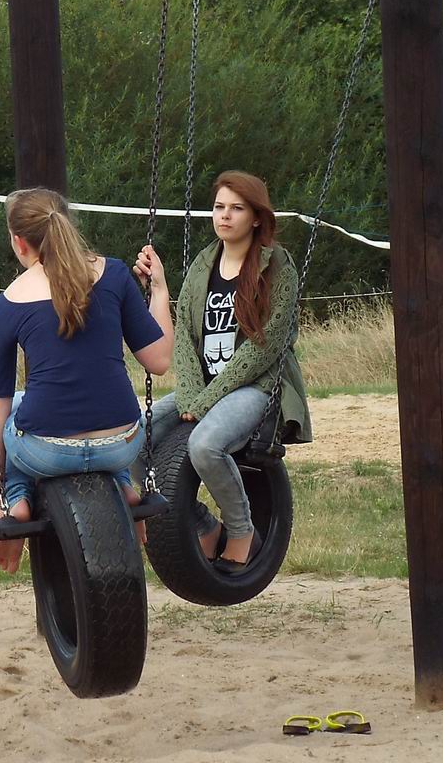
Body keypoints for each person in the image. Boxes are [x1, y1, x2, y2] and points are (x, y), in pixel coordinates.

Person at [0, 187, 175, 574]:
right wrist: (159, 289)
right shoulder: (114, 273)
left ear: (19, 241)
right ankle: (122, 484)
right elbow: (160, 360)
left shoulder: (10, 301)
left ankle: (17, 498)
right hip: (121, 445)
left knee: (16, 407)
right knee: (93, 410)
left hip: (47, 453)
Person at [131, 170, 312, 574]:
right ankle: (204, 525)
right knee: (132, 443)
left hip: (255, 386)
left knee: (205, 445)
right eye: (219, 207)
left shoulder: (277, 266)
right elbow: (184, 334)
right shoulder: (203, 263)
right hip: (204, 386)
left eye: (236, 208)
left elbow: (265, 346)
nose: (225, 216)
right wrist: (191, 393)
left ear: (257, 217)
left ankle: (243, 531)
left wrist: (206, 401)